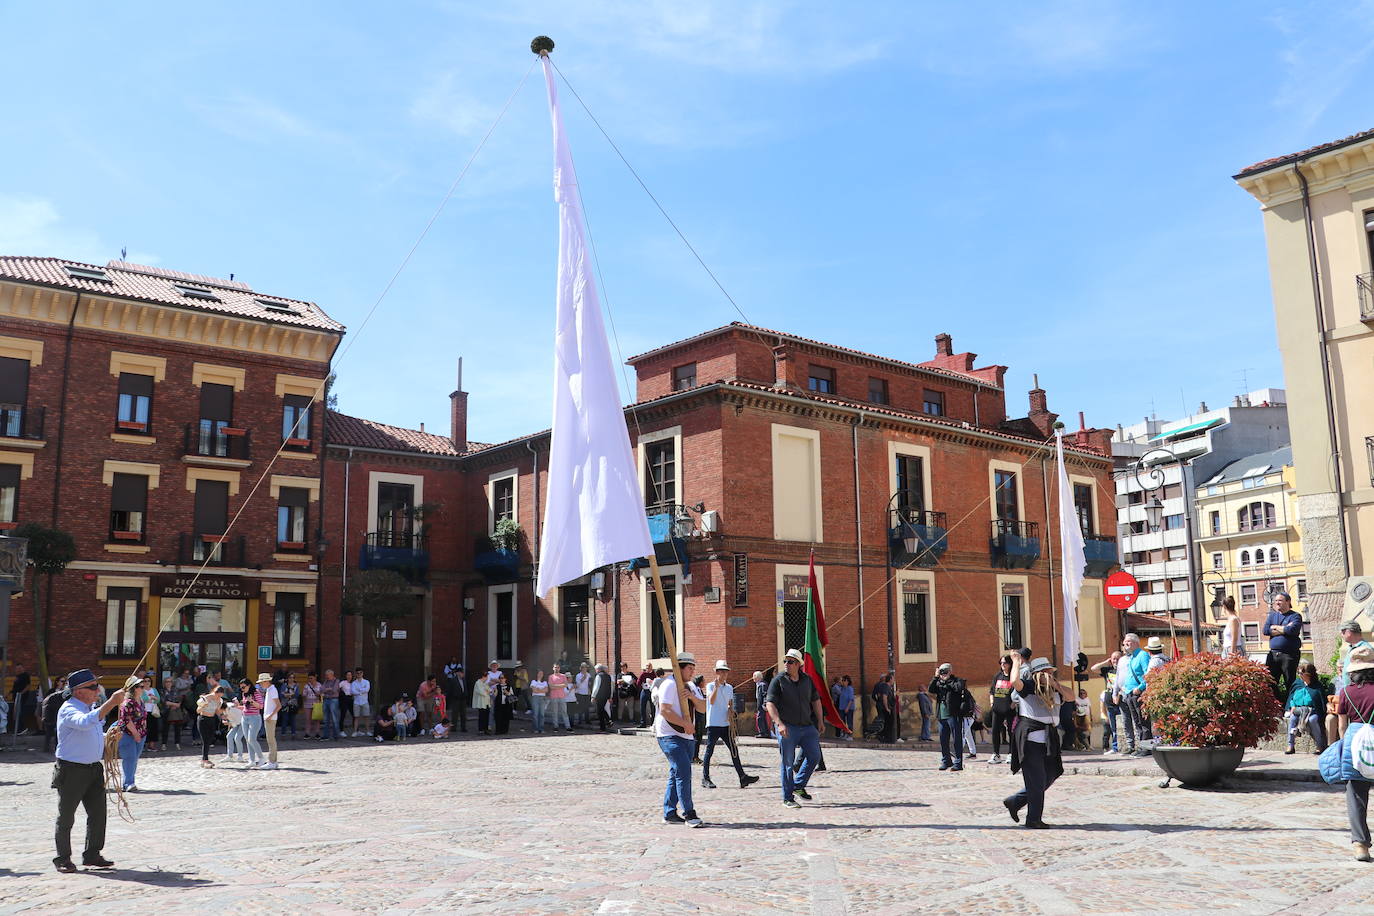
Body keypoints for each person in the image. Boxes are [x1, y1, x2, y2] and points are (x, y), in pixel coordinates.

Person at [52, 670, 126, 873]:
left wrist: (108, 735)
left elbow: (92, 730)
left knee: (98, 814)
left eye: (96, 686)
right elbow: (84, 723)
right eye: (92, 687)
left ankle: (92, 854)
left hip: (93, 768)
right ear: (78, 691)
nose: (97, 690)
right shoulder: (69, 709)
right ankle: (63, 858)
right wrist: (111, 702)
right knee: (66, 816)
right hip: (72, 769)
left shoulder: (90, 707)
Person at [1003, 655, 1069, 829]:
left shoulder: (1055, 689)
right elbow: (1015, 681)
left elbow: (1070, 697)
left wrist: (1056, 685)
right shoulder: (1029, 686)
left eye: (1050, 671)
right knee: (1037, 780)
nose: (1048, 674)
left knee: (1051, 774)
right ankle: (1033, 819)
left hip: (1049, 739)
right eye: (1045, 672)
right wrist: (1016, 662)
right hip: (1031, 739)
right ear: (1037, 673)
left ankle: (1016, 801)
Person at [766, 649, 824, 809]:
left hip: (807, 727)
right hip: (787, 727)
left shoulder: (807, 680)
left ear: (799, 665)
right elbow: (769, 704)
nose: (786, 664)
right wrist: (779, 723)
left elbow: (816, 700)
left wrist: (820, 720)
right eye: (785, 661)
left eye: (790, 661)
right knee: (788, 763)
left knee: (814, 756)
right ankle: (787, 798)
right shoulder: (778, 681)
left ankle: (798, 785)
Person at [653, 653, 705, 827]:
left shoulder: (690, 686)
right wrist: (684, 723)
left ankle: (669, 813)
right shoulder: (669, 684)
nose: (692, 672)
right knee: (683, 772)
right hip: (669, 735)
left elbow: (703, 708)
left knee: (676, 773)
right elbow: (665, 710)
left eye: (693, 669)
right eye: (689, 668)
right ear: (680, 668)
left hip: (687, 736)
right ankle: (689, 813)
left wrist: (691, 697)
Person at [1337, 644, 1374, 861]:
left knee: (1356, 795)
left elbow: (1342, 725)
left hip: (1355, 742)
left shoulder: (1346, 692)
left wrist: (1344, 744)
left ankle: (1360, 844)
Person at [701, 660, 759, 789]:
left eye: (725, 672)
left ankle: (742, 777)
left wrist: (731, 711)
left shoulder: (729, 687)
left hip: (726, 724)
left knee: (734, 750)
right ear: (716, 673)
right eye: (721, 672)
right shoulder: (711, 686)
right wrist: (716, 688)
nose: (724, 674)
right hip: (713, 724)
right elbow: (711, 701)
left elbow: (730, 703)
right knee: (709, 751)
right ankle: (705, 778)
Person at [1113, 635, 1151, 756]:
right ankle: (1141, 747)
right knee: (1137, 722)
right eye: (1125, 642)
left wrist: (1140, 688)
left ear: (1135, 643)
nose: (1126, 644)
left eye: (1128, 642)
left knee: (1143, 721)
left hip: (1138, 693)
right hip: (1129, 694)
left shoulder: (1142, 655)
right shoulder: (1131, 657)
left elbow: (1148, 674)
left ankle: (1147, 747)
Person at [929, 663, 970, 771]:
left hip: (954, 714)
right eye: (942, 671)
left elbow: (958, 688)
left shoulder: (957, 681)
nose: (943, 673)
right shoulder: (938, 682)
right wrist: (936, 677)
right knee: (943, 739)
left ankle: (958, 762)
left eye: (945, 671)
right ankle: (946, 760)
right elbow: (931, 689)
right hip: (942, 715)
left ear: (950, 671)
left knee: (957, 739)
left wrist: (947, 680)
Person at [1263, 590, 1304, 700]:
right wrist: (1284, 629)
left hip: (1289, 655)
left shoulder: (1295, 616)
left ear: (1288, 601)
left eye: (1280, 600)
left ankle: (1290, 706)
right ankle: (1278, 705)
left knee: (1290, 682)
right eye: (1276, 601)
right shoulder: (1272, 616)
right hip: (1273, 654)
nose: (1277, 603)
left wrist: (1275, 627)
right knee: (1270, 682)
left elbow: (1293, 630)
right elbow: (1266, 630)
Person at [1284, 662, 1329, 755]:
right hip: (1298, 710)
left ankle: (1319, 745)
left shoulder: (1317, 686)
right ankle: (1290, 745)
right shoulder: (1297, 683)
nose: (1299, 675)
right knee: (1292, 718)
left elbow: (1320, 703)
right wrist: (1292, 706)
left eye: (1301, 673)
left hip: (1312, 711)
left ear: (1308, 674)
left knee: (1312, 720)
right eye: (1299, 673)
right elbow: (1291, 697)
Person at [116, 676, 147, 792]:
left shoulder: (141, 700)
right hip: (128, 735)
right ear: (134, 689)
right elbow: (127, 720)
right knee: (129, 758)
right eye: (140, 686)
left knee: (134, 759)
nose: (143, 688)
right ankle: (128, 783)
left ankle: (130, 781)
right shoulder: (127, 703)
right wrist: (135, 734)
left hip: (141, 733)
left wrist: (142, 732)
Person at [988, 655, 1014, 764]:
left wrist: (1013, 704)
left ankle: (1011, 753)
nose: (1002, 665)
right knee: (995, 731)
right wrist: (992, 703)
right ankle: (996, 754)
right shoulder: (997, 676)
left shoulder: (1013, 677)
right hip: (997, 708)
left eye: (1005, 663)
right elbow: (991, 691)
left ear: (1010, 664)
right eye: (1001, 663)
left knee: (1011, 732)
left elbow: (1017, 692)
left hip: (1009, 709)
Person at [239, 678, 266, 769]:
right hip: (245, 718)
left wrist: (251, 701)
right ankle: (252, 760)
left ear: (249, 685)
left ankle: (261, 758)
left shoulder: (256, 693)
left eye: (243, 687)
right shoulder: (244, 694)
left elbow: (261, 706)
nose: (242, 689)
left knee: (252, 739)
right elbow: (245, 707)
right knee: (247, 740)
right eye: (241, 688)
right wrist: (237, 706)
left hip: (254, 718)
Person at [196, 682, 225, 767]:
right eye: (218, 695)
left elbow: (217, 712)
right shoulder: (206, 698)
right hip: (203, 719)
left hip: (211, 719)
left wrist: (224, 713)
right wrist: (203, 706)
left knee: (210, 739)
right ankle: (205, 759)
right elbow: (197, 711)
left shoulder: (219, 701)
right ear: (215, 692)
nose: (219, 697)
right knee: (205, 740)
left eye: (220, 696)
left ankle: (204, 759)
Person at [258, 673, 281, 770]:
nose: (260, 685)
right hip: (269, 717)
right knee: (271, 740)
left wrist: (270, 716)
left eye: (261, 683)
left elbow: (278, 705)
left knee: (271, 740)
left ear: (266, 681)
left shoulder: (272, 690)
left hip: (270, 718)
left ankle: (272, 761)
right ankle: (273, 761)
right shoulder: (270, 689)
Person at [41, 676, 68, 754]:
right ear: (57, 682)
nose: (64, 683)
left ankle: (58, 749)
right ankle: (49, 748)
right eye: (62, 681)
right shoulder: (52, 692)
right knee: (51, 732)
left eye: (65, 682)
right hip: (51, 715)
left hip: (61, 715)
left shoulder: (66, 693)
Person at [547, 663, 571, 733]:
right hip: (554, 696)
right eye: (555, 667)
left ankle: (568, 726)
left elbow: (566, 684)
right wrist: (561, 685)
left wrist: (555, 686)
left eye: (557, 667)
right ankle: (555, 726)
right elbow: (551, 687)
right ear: (553, 668)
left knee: (564, 712)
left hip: (562, 696)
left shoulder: (563, 676)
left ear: (559, 668)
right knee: (555, 712)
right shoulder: (550, 677)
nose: (556, 668)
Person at [872, 673, 895, 743]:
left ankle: (885, 737)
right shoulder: (885, 686)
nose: (894, 680)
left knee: (888, 723)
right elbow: (884, 697)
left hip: (885, 707)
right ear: (890, 679)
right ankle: (884, 736)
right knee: (888, 723)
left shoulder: (886, 686)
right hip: (885, 708)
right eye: (893, 679)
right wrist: (887, 708)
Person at [591, 664, 614, 732]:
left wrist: (593, 696)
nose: (595, 671)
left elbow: (596, 687)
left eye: (596, 669)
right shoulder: (608, 676)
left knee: (599, 711)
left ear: (598, 669)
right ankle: (608, 721)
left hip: (599, 696)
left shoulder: (599, 676)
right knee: (601, 710)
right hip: (606, 696)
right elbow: (611, 687)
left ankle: (603, 726)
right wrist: (610, 696)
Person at [320, 669, 341, 740]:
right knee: (326, 719)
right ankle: (326, 735)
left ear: (332, 675)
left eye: (327, 675)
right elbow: (321, 689)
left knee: (334, 718)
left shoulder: (336, 681)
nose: (326, 676)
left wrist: (326, 690)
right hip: (326, 700)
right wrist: (328, 689)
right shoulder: (326, 681)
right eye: (326, 675)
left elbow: (334, 690)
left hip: (333, 700)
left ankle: (336, 735)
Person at [446, 663, 468, 732]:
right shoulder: (453, 680)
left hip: (463, 699)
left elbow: (465, 688)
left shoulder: (464, 680)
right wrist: (451, 698)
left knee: (463, 714)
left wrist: (466, 695)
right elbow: (450, 690)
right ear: (458, 673)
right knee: (454, 714)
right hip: (455, 699)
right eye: (461, 673)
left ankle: (463, 727)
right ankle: (453, 727)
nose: (462, 674)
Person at [351, 669, 372, 737]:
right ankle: (355, 731)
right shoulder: (354, 683)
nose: (359, 674)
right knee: (356, 717)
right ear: (356, 674)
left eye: (360, 673)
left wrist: (358, 691)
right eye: (357, 673)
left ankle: (368, 731)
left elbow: (367, 690)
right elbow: (353, 692)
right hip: (356, 702)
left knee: (366, 716)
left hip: (365, 701)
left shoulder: (366, 682)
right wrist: (361, 691)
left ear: (362, 673)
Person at [302, 671, 322, 740]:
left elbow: (322, 694)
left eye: (311, 678)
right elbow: (303, 695)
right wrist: (305, 695)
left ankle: (317, 733)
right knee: (308, 719)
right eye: (309, 678)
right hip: (307, 704)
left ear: (315, 677)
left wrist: (319, 694)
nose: (310, 680)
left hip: (316, 704)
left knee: (317, 719)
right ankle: (307, 733)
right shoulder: (306, 685)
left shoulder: (319, 685)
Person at [279, 672, 300, 738]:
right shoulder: (284, 685)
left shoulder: (296, 686)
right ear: (287, 678)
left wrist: (287, 694)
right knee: (284, 719)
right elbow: (281, 694)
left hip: (293, 704)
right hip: (285, 704)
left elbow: (296, 694)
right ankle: (283, 734)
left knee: (293, 719)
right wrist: (290, 694)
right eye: (290, 677)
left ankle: (293, 733)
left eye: (293, 678)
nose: (291, 679)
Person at [529, 669, 550, 734]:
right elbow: (534, 690)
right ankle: (535, 728)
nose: (540, 675)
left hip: (542, 698)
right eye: (539, 673)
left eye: (542, 674)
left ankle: (541, 728)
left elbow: (546, 690)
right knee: (535, 714)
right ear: (537, 674)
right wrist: (542, 690)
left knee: (542, 714)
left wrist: (538, 689)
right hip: (535, 698)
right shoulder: (533, 681)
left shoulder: (545, 682)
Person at [753, 670, 771, 737]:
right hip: (759, 704)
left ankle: (763, 733)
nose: (753, 678)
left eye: (754, 676)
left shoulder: (762, 685)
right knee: (762, 718)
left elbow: (765, 695)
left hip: (762, 704)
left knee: (760, 718)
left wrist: (765, 704)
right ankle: (766, 732)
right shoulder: (759, 684)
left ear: (758, 677)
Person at [338, 670, 355, 735]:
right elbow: (337, 688)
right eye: (348, 675)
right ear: (345, 676)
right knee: (343, 715)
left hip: (351, 699)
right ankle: (341, 730)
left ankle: (356, 730)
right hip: (344, 699)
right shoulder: (343, 682)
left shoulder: (353, 683)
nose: (349, 676)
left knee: (354, 715)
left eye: (350, 675)